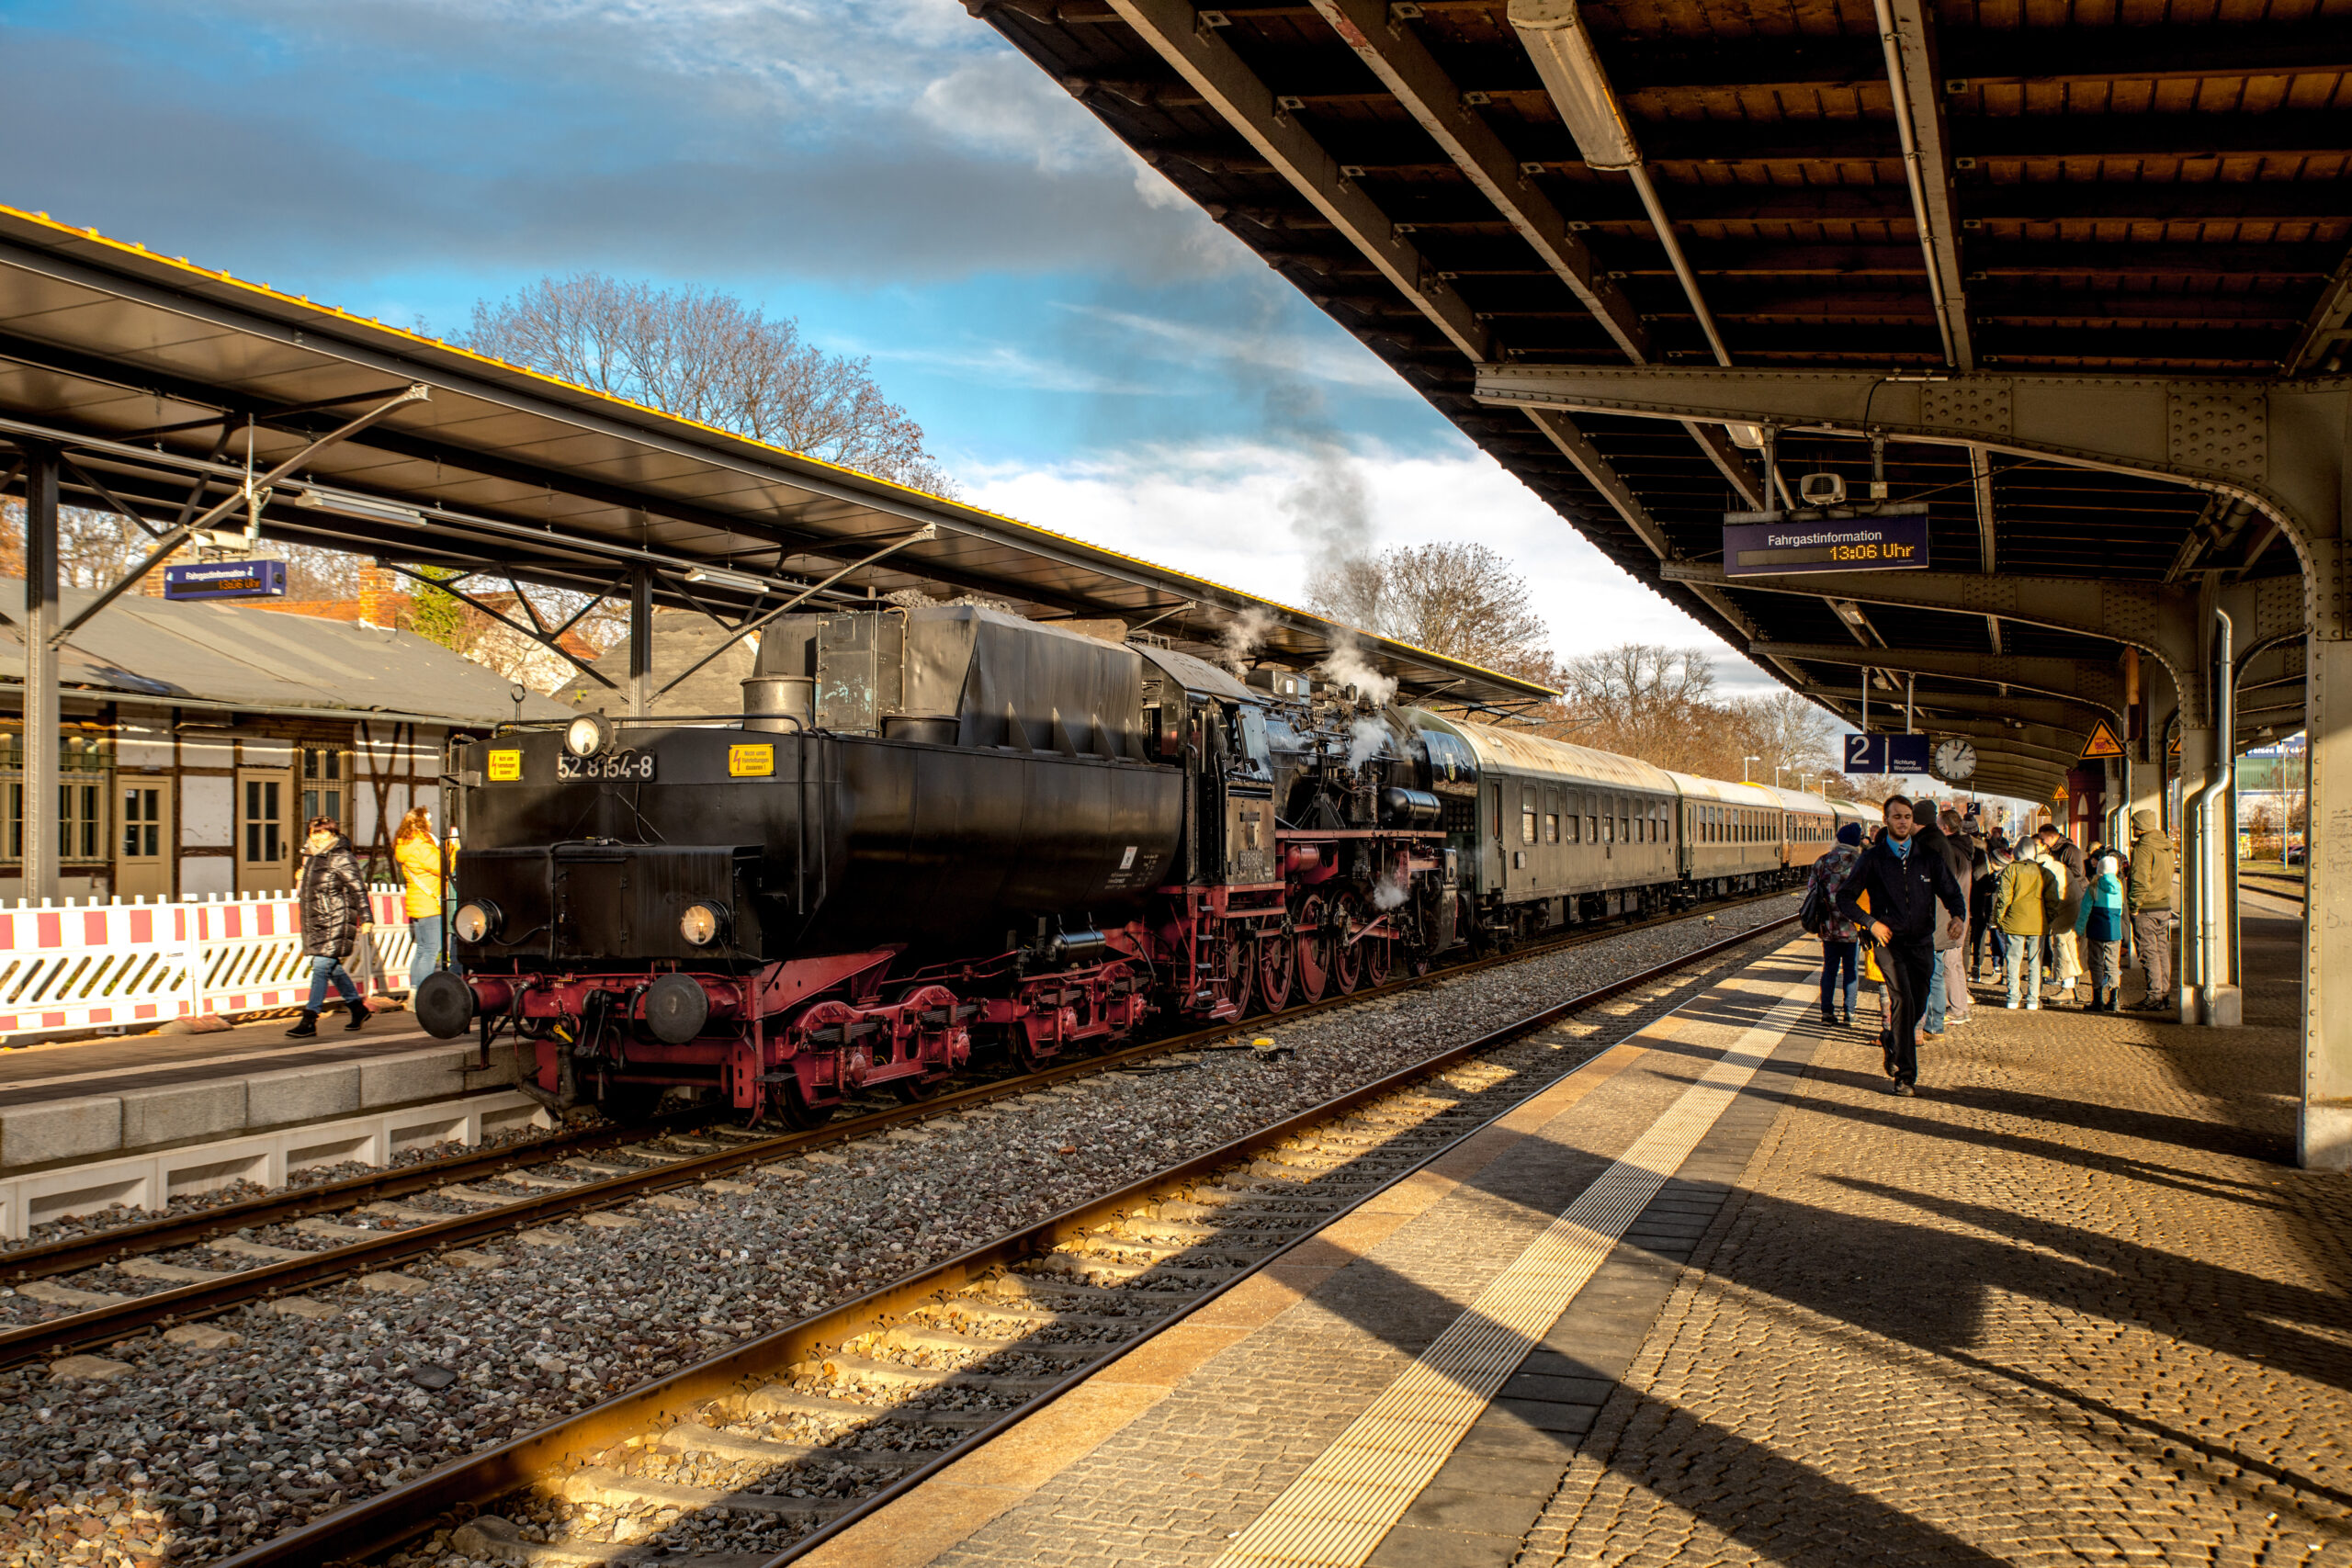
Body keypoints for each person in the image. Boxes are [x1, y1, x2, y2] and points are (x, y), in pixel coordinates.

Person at [1836, 796, 1967, 1097]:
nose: (1903, 821)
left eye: (1907, 816)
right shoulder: (1872, 859)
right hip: (1888, 943)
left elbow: (1951, 891)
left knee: (1917, 1003)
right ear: (1887, 820)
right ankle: (1905, 1076)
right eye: (1897, 817)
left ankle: (1893, 1040)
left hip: (1922, 941)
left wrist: (1957, 916)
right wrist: (1871, 923)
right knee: (1903, 1000)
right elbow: (1845, 898)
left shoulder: (1928, 857)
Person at [287, 817, 371, 1038]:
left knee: (321, 966)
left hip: (337, 919)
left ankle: (310, 1018)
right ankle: (357, 1008)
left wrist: (367, 918)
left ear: (333, 834)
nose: (318, 837)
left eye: (324, 832)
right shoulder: (312, 857)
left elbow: (358, 889)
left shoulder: (341, 856)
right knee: (331, 967)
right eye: (314, 832)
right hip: (318, 921)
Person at [393, 806, 461, 986]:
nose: (431, 823)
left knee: (422, 949)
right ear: (421, 822)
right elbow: (443, 867)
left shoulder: (407, 844)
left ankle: (415, 990)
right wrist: (453, 848)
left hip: (418, 902)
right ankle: (422, 990)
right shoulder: (420, 846)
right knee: (432, 949)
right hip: (430, 903)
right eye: (428, 819)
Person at [1809, 823, 1866, 1027]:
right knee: (1851, 970)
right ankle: (1850, 1012)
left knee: (1829, 969)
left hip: (1828, 925)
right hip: (1853, 926)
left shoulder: (1823, 861)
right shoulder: (1860, 861)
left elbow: (1811, 888)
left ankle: (1826, 1013)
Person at [1992, 839, 2057, 1010]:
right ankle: (2033, 999)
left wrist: (1999, 919)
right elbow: (2052, 901)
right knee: (2036, 961)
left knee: (2013, 960)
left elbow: (2003, 898)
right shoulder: (2045, 873)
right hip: (2038, 922)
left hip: (2014, 921)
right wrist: (2050, 919)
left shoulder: (2010, 870)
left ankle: (2013, 997)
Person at [2126, 808, 2177, 1011]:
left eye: (2134, 824)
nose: (2132, 828)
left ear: (2141, 826)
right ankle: (2164, 995)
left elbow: (2139, 879)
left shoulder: (2143, 848)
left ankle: (2154, 996)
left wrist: (2134, 905)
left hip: (2146, 907)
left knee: (2148, 952)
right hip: (2164, 905)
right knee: (2162, 951)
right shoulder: (2166, 846)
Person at [2038, 825, 2089, 1006]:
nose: (2043, 843)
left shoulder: (2069, 851)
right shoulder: (2057, 854)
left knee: (2066, 945)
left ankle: (2068, 987)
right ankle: (2069, 984)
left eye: (2044, 839)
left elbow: (2078, 874)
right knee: (2066, 945)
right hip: (2068, 901)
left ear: (2051, 836)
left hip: (2070, 902)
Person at [2083, 845, 2127, 1012]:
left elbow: (2085, 910)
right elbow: (2121, 909)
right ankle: (2114, 999)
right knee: (2113, 964)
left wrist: (2080, 930)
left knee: (2096, 963)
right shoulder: (2119, 886)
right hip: (2114, 931)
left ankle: (2098, 999)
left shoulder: (2093, 886)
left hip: (2096, 929)